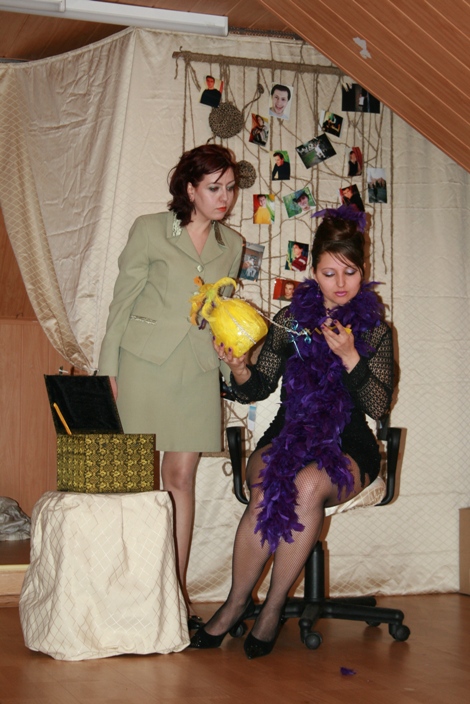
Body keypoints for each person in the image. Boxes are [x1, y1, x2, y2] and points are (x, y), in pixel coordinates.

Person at [190, 205, 394, 658]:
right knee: (269, 484)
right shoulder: (290, 320)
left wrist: (351, 357)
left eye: (350, 272)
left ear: (362, 272)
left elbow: (379, 407)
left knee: (306, 485)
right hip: (287, 432)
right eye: (329, 272)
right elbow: (258, 387)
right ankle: (236, 602)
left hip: (348, 443)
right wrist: (239, 368)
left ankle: (274, 605)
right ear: (313, 272)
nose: (340, 283)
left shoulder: (376, 332)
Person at [98, 144, 243, 627]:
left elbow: (221, 313)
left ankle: (173, 596)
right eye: (214, 188)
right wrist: (108, 370)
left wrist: (233, 366)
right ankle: (131, 591)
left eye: (230, 188)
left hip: (198, 368)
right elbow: (122, 302)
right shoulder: (149, 229)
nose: (224, 197)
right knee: (135, 483)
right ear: (190, 189)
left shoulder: (232, 244)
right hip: (143, 365)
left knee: (181, 479)